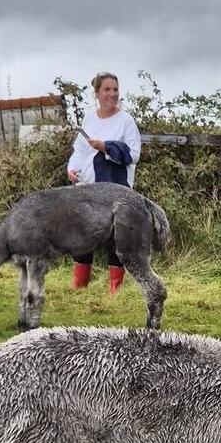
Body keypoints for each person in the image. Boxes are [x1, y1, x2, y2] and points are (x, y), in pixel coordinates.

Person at [66, 72, 142, 292]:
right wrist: (72, 169)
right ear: (97, 93)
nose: (112, 94)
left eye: (115, 89)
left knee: (114, 238)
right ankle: (80, 286)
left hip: (115, 189)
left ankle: (114, 289)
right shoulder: (89, 118)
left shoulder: (126, 121)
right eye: (107, 89)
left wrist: (106, 147)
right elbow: (79, 151)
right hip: (86, 187)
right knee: (82, 236)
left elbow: (134, 154)